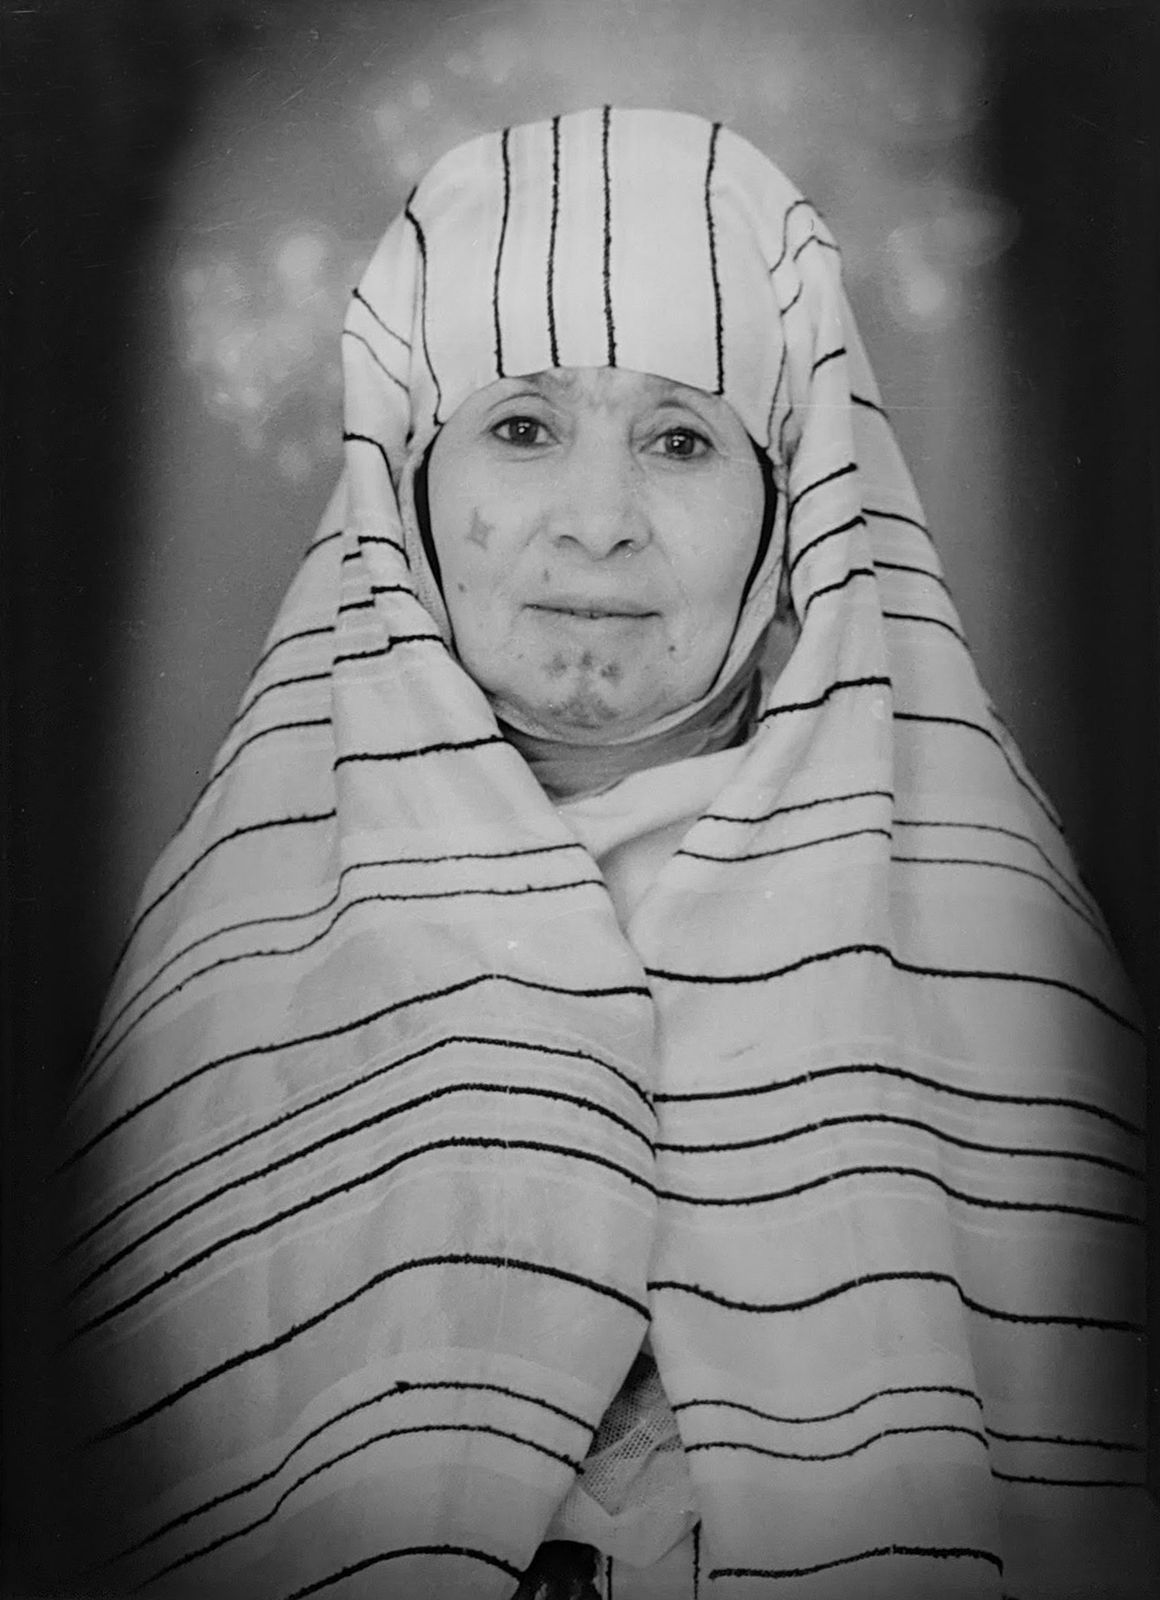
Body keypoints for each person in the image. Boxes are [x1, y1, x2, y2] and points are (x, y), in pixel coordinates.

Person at [59, 107, 1154, 1599]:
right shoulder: (238, 960)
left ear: (790, 507)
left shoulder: (992, 955)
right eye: (520, 427)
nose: (596, 528)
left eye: (682, 440)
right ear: (409, 490)